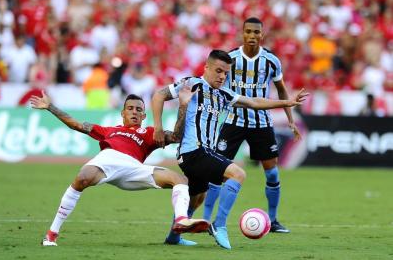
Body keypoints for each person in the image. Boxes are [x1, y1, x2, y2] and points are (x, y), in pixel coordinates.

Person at [152, 49, 308, 249]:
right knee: (238, 174)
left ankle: (173, 237)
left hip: (202, 153)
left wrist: (286, 102)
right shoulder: (192, 84)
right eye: (218, 71)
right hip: (194, 151)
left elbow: (253, 102)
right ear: (206, 67)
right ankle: (219, 225)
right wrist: (157, 127)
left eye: (226, 73)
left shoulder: (224, 93)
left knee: (197, 197)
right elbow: (159, 95)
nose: (222, 76)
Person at [30, 89, 209, 247]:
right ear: (123, 113)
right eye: (130, 108)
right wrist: (50, 107)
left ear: (144, 116)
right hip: (108, 160)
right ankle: (52, 234)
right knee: (82, 178)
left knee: (180, 180)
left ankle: (181, 220)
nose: (134, 112)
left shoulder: (149, 133)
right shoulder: (109, 131)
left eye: (139, 110)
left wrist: (183, 105)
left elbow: (177, 136)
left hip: (134, 169)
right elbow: (76, 124)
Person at [202, 17, 301, 234]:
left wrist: (291, 119)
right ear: (243, 33)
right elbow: (216, 85)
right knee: (217, 172)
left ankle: (273, 220)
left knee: (272, 174)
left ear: (262, 34)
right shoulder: (231, 58)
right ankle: (205, 220)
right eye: (248, 32)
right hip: (233, 122)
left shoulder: (271, 61)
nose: (252, 36)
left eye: (256, 32)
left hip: (261, 123)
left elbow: (282, 91)